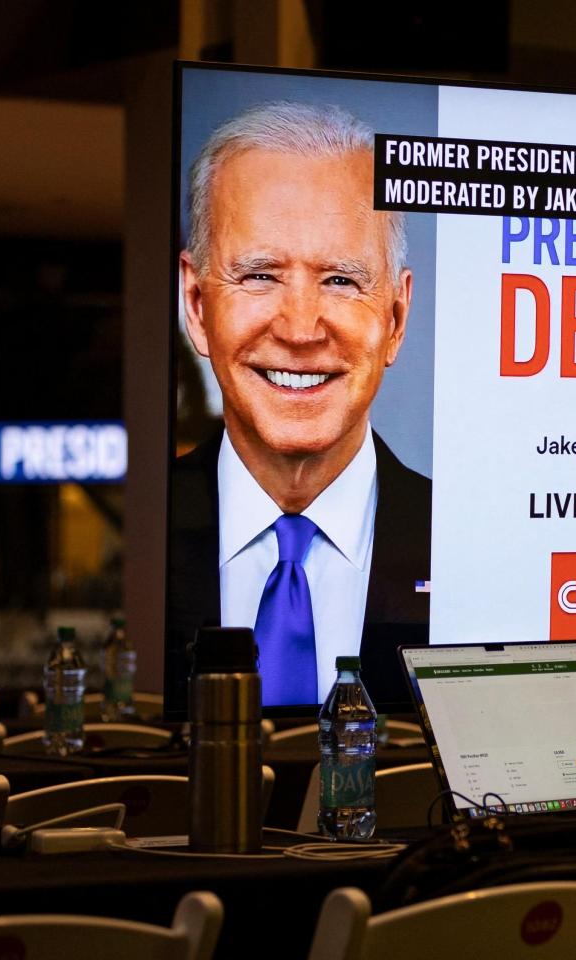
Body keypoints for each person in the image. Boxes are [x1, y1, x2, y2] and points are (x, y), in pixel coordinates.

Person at [166, 101, 430, 708]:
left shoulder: (468, 546)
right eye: (260, 275)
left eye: (340, 280)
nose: (300, 329)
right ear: (198, 305)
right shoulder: (140, 542)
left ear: (395, 318)